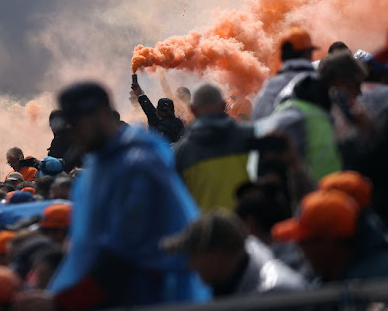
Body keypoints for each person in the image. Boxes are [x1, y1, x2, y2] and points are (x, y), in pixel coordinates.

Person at [48, 82, 208, 309]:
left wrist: (62, 302)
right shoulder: (98, 167)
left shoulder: (138, 165)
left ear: (101, 115)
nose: (73, 135)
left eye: (77, 125)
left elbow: (123, 256)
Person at [162, 209, 305, 297]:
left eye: (194, 255)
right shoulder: (244, 256)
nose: (190, 264)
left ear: (217, 253)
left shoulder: (273, 294)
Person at [272, 188, 388, 282]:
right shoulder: (328, 274)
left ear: (327, 242)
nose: (298, 247)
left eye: (303, 241)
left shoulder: (376, 281)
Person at [174, 84, 255, 212]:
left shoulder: (181, 152)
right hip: (243, 223)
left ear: (193, 110)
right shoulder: (249, 136)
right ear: (223, 107)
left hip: (204, 226)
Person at [252, 28, 318, 121]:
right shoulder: (323, 81)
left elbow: (257, 122)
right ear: (308, 53)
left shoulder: (270, 87)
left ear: (281, 56)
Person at [131, 78, 185, 143]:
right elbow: (149, 109)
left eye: (166, 110)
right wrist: (139, 94)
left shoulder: (159, 126)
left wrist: (139, 93)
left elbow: (149, 110)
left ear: (157, 111)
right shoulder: (179, 124)